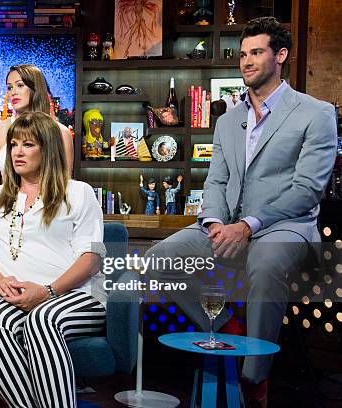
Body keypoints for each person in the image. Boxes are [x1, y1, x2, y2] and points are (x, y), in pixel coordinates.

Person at [144, 17, 337, 406]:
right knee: (156, 260)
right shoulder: (228, 120)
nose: (246, 61)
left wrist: (248, 225)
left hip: (286, 228)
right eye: (243, 53)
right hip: (227, 225)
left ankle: (253, 379)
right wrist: (215, 222)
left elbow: (307, 190)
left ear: (280, 55)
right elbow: (215, 182)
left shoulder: (315, 113)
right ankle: (225, 328)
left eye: (257, 52)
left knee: (264, 265)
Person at [0, 111, 106, 408]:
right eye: (14, 144)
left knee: (41, 320)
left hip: (76, 294)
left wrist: (47, 292)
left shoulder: (79, 193)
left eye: (28, 144)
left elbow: (93, 258)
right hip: (17, 295)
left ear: (48, 148)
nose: (17, 152)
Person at [0, 64, 74, 203]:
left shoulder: (61, 133)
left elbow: (64, 184)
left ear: (35, 87)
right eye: (9, 87)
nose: (13, 92)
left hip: (49, 210)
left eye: (20, 85)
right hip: (8, 210)